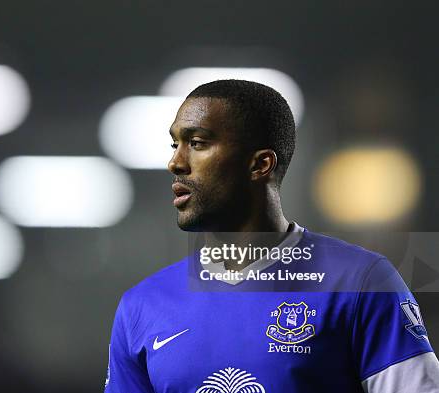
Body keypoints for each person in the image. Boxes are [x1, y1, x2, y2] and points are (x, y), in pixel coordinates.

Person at [104, 79, 439, 392]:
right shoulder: (141, 306)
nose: (175, 162)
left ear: (260, 164)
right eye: (175, 144)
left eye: (197, 143)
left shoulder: (361, 282)